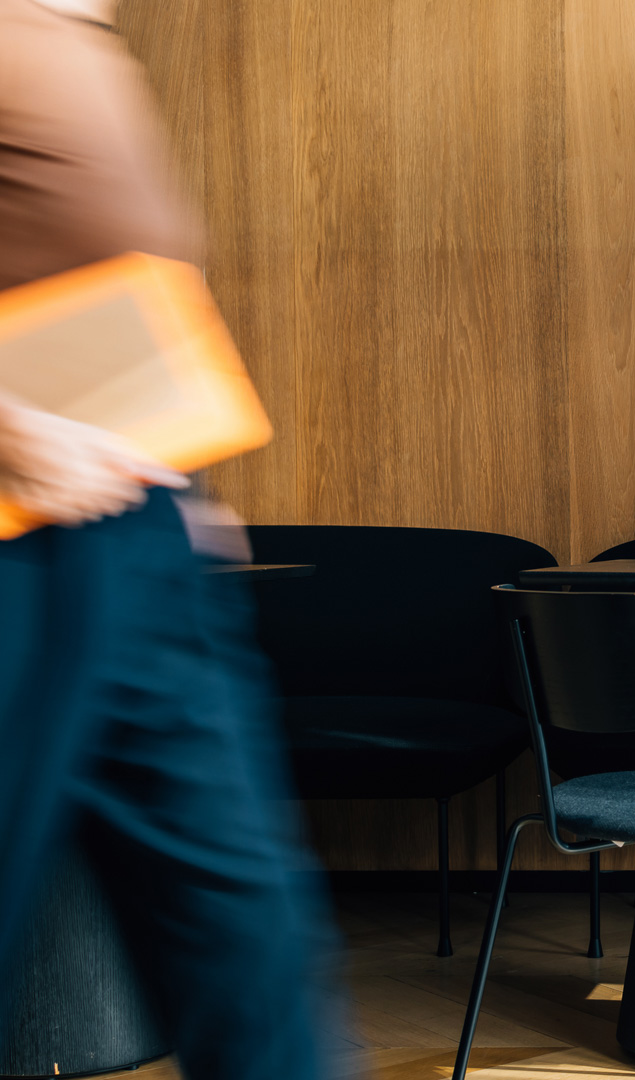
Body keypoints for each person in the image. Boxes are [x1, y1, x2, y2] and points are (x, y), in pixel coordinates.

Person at [0, 2, 338, 1077]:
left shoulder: (75, 36)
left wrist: (174, 492)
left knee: (246, 928)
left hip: (139, 530)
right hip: (19, 538)